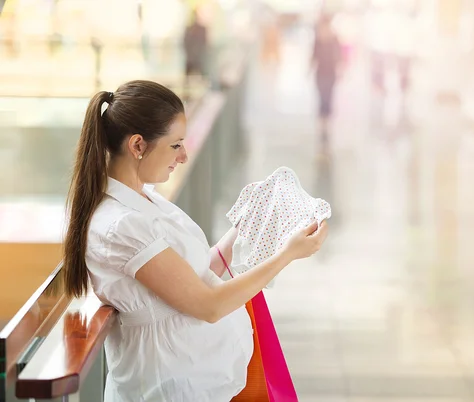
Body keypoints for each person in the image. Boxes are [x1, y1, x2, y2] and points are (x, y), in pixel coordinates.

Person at [62, 80, 328, 401]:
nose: (184, 156)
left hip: (196, 381)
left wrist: (246, 225)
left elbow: (196, 275)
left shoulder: (145, 199)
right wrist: (287, 255)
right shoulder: (121, 226)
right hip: (169, 388)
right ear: (137, 145)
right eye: (175, 145)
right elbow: (208, 305)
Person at [312, 15, 342, 139]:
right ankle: (322, 120)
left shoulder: (334, 39)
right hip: (320, 73)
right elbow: (313, 56)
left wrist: (341, 70)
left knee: (328, 96)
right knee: (321, 96)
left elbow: (339, 56)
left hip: (331, 73)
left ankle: (327, 120)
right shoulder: (318, 40)